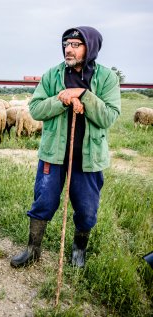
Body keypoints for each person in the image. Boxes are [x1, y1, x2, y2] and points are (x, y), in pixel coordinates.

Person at [10, 26, 121, 268]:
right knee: (44, 202)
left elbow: (109, 117)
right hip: (54, 154)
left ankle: (79, 251)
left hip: (88, 158)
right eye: (66, 44)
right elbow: (37, 109)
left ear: (89, 47)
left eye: (75, 45)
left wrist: (83, 94)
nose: (68, 49)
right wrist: (62, 99)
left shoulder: (106, 78)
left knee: (87, 209)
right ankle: (33, 249)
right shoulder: (52, 75)